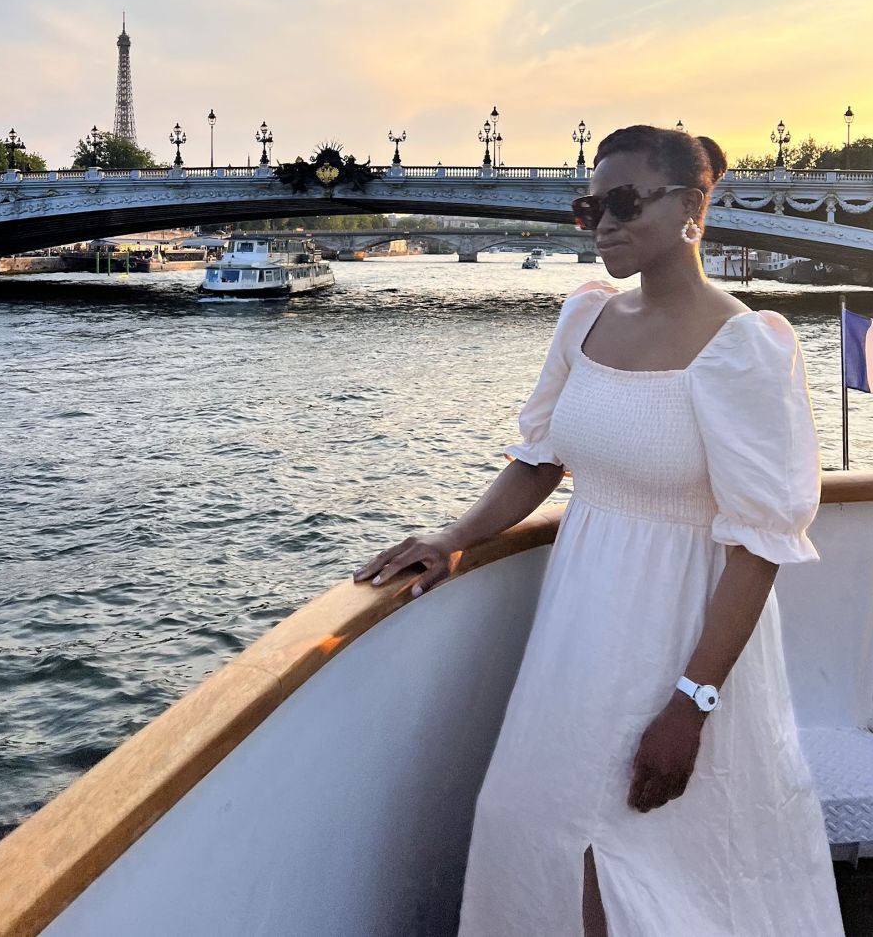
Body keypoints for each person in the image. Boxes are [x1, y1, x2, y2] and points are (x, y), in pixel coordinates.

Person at [354, 124, 843, 936]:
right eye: (591, 207)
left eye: (623, 202)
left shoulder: (745, 348)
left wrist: (692, 702)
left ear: (690, 206)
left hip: (684, 632)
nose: (603, 224)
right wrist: (453, 538)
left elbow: (761, 544)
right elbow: (540, 461)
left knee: (660, 848)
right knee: (533, 819)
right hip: (579, 627)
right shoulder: (585, 318)